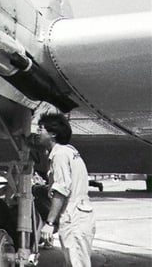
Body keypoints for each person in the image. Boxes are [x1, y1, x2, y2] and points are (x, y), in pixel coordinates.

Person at [37, 112, 95, 267]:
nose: (37, 132)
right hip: (80, 213)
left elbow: (61, 190)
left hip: (73, 216)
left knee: (76, 263)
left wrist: (49, 223)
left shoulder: (60, 155)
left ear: (53, 133)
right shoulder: (69, 151)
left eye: (40, 129)